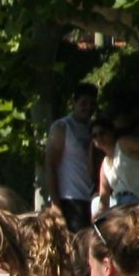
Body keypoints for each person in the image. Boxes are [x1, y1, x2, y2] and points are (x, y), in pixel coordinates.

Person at [44, 84, 99, 230]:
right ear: (74, 103)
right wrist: (55, 205)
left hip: (93, 199)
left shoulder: (96, 129)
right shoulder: (62, 127)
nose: (88, 107)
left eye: (92, 104)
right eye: (83, 103)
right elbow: (50, 165)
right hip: (70, 199)